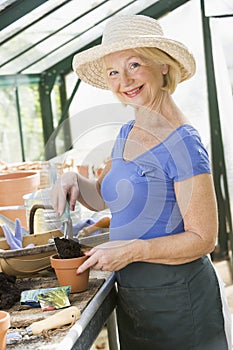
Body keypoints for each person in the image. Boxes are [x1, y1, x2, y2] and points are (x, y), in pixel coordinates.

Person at [51, 14, 232, 350]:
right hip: (138, 303)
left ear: (163, 66)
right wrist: (74, 179)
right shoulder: (128, 131)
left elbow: (204, 238)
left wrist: (133, 251)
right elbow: (109, 197)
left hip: (180, 304)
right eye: (113, 72)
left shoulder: (184, 143)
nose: (125, 80)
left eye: (134, 65)